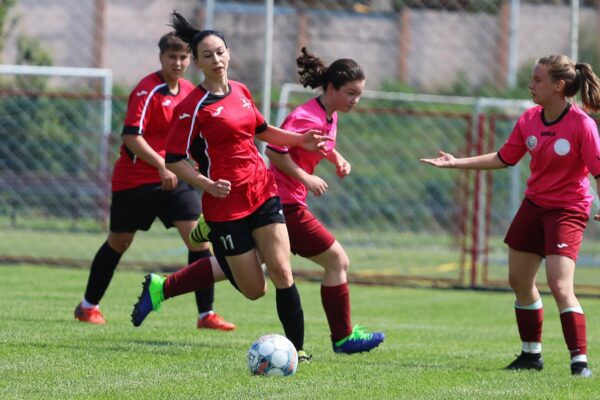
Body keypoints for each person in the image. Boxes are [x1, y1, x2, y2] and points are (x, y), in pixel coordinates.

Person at [130, 11, 331, 361]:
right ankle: (171, 279)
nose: (217, 59)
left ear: (228, 53)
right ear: (197, 62)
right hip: (225, 205)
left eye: (220, 52)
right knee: (255, 290)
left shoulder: (240, 91)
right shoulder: (191, 108)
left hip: (261, 189)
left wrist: (300, 140)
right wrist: (205, 183)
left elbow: (262, 130)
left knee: (283, 270)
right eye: (207, 55)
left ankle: (297, 351)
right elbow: (175, 158)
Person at [421, 54, 600, 377]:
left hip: (567, 210)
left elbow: (598, 171)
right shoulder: (530, 118)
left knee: (559, 285)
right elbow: (505, 157)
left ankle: (580, 362)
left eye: (537, 80)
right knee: (519, 281)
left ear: (559, 86)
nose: (530, 85)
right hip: (533, 206)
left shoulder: (582, 125)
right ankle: (531, 356)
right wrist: (456, 162)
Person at [74, 32, 235, 331]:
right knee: (119, 242)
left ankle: (206, 314)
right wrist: (162, 165)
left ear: (191, 60)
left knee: (197, 238)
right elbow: (131, 136)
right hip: (137, 180)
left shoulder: (189, 91)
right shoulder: (147, 90)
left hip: (176, 178)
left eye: (183, 57)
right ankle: (87, 306)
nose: (178, 62)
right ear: (161, 58)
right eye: (171, 56)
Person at [264, 47, 384, 354]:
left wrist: (337, 157)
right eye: (350, 93)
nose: (355, 100)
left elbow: (321, 144)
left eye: (359, 94)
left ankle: (163, 287)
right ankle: (343, 338)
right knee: (337, 260)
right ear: (331, 88)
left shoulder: (328, 113)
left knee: (237, 265)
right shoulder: (306, 116)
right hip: (283, 202)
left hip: (283, 200)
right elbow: (275, 151)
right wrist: (306, 178)